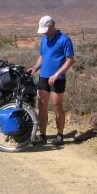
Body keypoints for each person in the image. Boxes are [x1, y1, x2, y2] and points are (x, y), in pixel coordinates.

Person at [28, 15, 75, 146]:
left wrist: (57, 74)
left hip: (58, 79)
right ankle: (42, 135)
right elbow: (42, 56)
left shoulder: (64, 40)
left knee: (57, 106)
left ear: (52, 25)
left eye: (46, 29)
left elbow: (70, 60)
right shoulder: (44, 40)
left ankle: (59, 135)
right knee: (41, 105)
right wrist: (36, 68)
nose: (44, 33)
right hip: (43, 77)